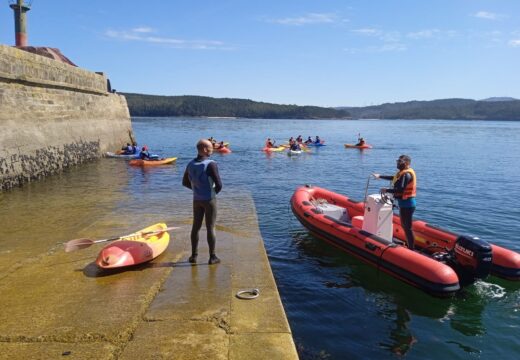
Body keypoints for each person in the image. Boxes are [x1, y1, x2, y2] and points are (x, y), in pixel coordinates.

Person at [182, 139, 223, 265]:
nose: (212, 150)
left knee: (196, 227)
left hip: (196, 200)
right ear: (205, 149)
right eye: (211, 148)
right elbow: (220, 185)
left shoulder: (190, 164)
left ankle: (193, 256)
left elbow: (185, 182)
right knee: (210, 227)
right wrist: (211, 193)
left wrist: (196, 190)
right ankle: (212, 257)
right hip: (209, 200)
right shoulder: (211, 164)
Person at [373, 155, 417, 250]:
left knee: (407, 227)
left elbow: (400, 190)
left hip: (408, 204)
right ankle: (410, 246)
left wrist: (387, 190)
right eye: (398, 162)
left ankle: (412, 249)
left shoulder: (406, 174)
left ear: (407, 163)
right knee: (405, 226)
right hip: (404, 204)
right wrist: (380, 176)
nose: (398, 164)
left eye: (400, 162)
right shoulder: (402, 173)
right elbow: (394, 178)